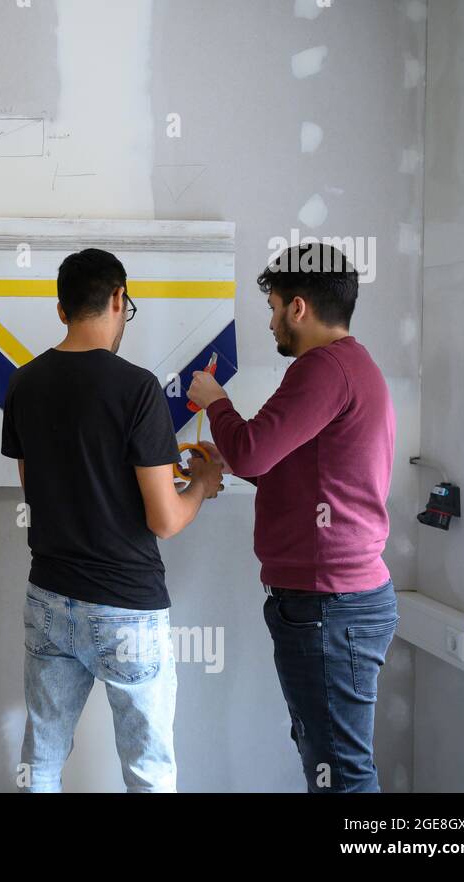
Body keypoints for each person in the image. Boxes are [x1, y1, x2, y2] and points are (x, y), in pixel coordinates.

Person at [1, 248, 223, 793]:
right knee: (148, 774)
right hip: (126, 606)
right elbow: (165, 520)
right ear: (119, 298)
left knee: (42, 761)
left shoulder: (24, 382)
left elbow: (37, 486)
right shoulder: (138, 388)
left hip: (48, 597)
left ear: (61, 310)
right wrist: (203, 483)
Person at [186, 242, 397, 793]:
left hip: (330, 605)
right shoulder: (350, 365)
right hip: (334, 601)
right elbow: (292, 466)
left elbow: (257, 449)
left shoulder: (322, 369)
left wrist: (215, 401)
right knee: (329, 761)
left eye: (273, 307)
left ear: (297, 308)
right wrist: (227, 458)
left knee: (342, 774)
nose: (272, 323)